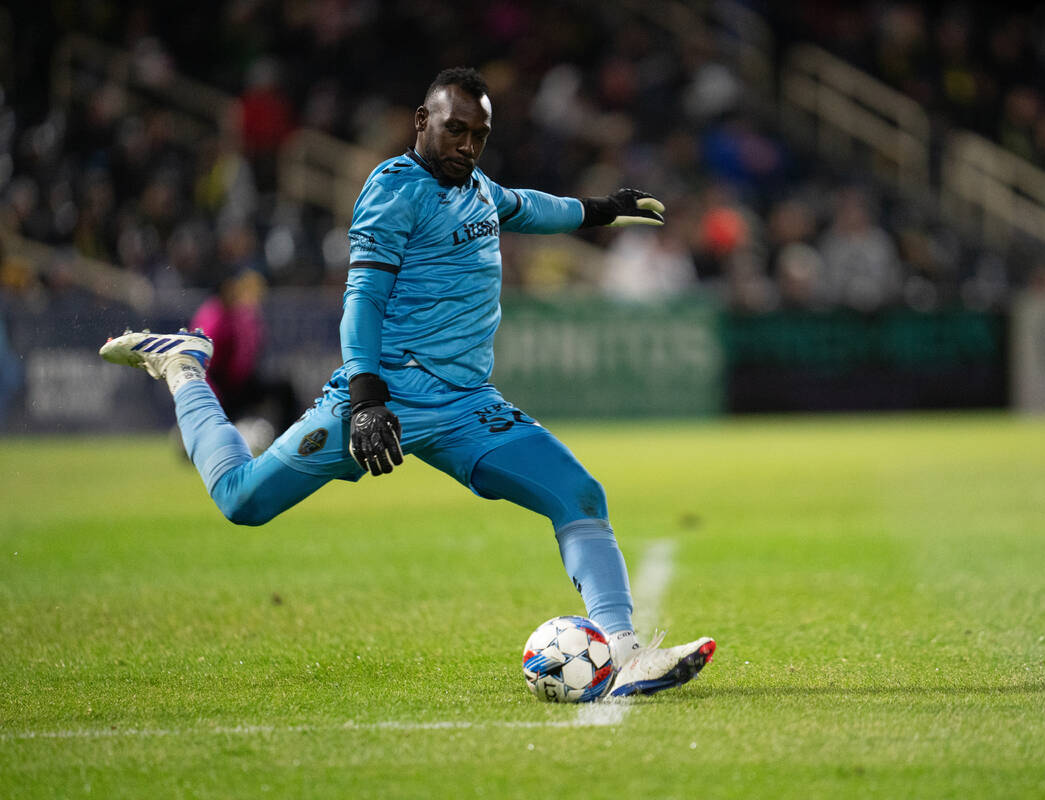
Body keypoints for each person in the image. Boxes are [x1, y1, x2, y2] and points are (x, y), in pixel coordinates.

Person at [100, 67, 714, 697]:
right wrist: (366, 399)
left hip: (468, 408)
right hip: (383, 399)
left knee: (580, 495)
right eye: (455, 130)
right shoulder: (394, 189)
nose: (467, 146)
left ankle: (624, 652)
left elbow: (530, 207)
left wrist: (603, 210)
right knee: (242, 501)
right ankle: (181, 367)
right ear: (423, 122)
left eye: (479, 134)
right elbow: (362, 298)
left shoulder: (477, 189)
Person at [190, 268, 300, 449]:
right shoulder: (213, 316)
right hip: (220, 389)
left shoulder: (238, 314)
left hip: (239, 384)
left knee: (284, 389)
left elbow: (248, 353)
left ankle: (286, 443)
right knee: (214, 438)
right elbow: (204, 364)